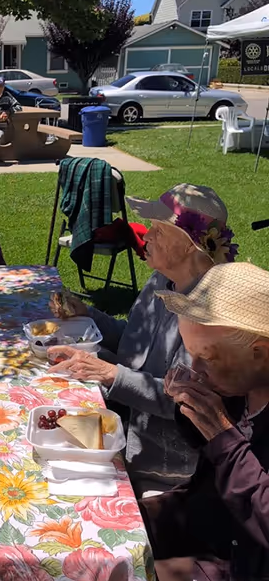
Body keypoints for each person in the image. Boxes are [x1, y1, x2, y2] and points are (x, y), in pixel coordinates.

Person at [49, 184, 237, 496]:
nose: (145, 236)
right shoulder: (162, 280)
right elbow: (135, 344)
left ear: (190, 244)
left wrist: (108, 373)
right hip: (124, 434)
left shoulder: (208, 313)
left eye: (158, 230)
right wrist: (89, 314)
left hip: (167, 476)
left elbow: (181, 402)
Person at [143, 262, 269, 581]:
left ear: (261, 352)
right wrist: (192, 409)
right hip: (220, 527)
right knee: (111, 531)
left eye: (207, 358)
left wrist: (223, 436)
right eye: (191, 354)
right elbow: (214, 451)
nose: (195, 367)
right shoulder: (246, 383)